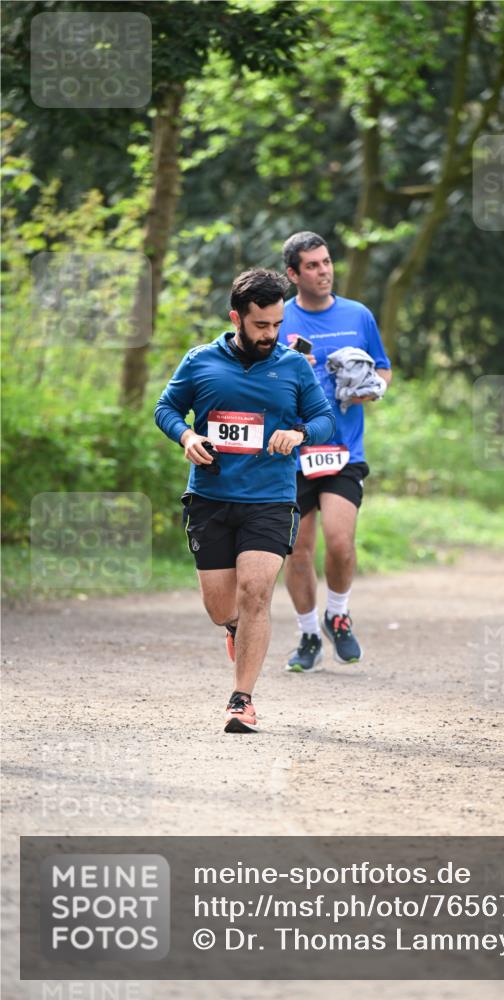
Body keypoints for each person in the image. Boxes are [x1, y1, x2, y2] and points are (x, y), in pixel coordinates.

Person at [155, 268, 335, 731]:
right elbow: (166, 408)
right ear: (237, 316)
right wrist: (186, 435)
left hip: (270, 499)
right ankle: (234, 629)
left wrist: (298, 433)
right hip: (211, 497)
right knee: (222, 607)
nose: (270, 335)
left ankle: (242, 700)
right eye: (260, 325)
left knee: (256, 593)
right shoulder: (200, 361)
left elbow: (323, 419)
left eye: (277, 325)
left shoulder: (293, 365)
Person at [278, 231, 392, 672]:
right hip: (291, 451)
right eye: (312, 265)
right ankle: (308, 635)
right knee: (298, 550)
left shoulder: (357, 314)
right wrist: (287, 370)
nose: (323, 271)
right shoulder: (279, 320)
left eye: (326, 263)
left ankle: (337, 613)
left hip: (344, 448)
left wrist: (370, 389)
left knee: (341, 544)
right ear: (293, 274)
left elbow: (382, 368)